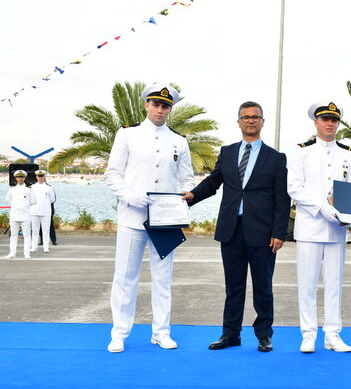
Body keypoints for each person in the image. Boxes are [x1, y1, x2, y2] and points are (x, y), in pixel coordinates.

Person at [184, 101, 289, 353]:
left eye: (255, 117)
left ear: (262, 121)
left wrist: (279, 232)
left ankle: (264, 335)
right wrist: (192, 196)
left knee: (263, 288)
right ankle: (230, 334)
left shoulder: (275, 158)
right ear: (238, 121)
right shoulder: (228, 152)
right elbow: (213, 182)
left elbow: (282, 198)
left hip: (263, 233)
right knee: (233, 287)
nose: (250, 120)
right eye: (246, 117)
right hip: (231, 230)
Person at [104, 84, 195, 353]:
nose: (160, 110)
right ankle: (119, 333)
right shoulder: (127, 134)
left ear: (170, 109)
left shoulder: (179, 141)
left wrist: (181, 202)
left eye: (165, 106)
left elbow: (187, 180)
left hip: (165, 221)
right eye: (155, 104)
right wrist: (129, 196)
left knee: (163, 278)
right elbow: (112, 174)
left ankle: (161, 332)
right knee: (125, 277)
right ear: (146, 104)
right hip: (132, 217)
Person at [287, 101, 351, 353]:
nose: (330, 123)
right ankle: (308, 334)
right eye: (325, 119)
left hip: (336, 229)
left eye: (334, 120)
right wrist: (322, 207)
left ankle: (332, 334)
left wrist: (349, 213)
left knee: (334, 283)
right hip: (310, 226)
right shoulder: (301, 151)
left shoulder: (348, 153)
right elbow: (294, 187)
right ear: (315, 122)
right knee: (307, 284)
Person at [3, 170, 37, 259]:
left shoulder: (29, 190)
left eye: (22, 177)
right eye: (18, 177)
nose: (20, 179)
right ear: (16, 178)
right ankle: (12, 253)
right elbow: (8, 200)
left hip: (25, 215)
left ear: (25, 178)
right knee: (13, 235)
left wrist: (24, 206)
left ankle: (27, 253)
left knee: (26, 235)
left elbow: (33, 201)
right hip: (14, 215)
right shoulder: (12, 190)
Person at [30, 170, 56, 253]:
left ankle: (46, 247)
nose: (40, 178)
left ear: (44, 177)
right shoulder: (32, 187)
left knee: (46, 231)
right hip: (34, 211)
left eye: (42, 176)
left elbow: (52, 199)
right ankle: (34, 247)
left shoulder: (49, 188)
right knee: (35, 231)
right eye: (39, 176)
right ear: (36, 177)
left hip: (45, 212)